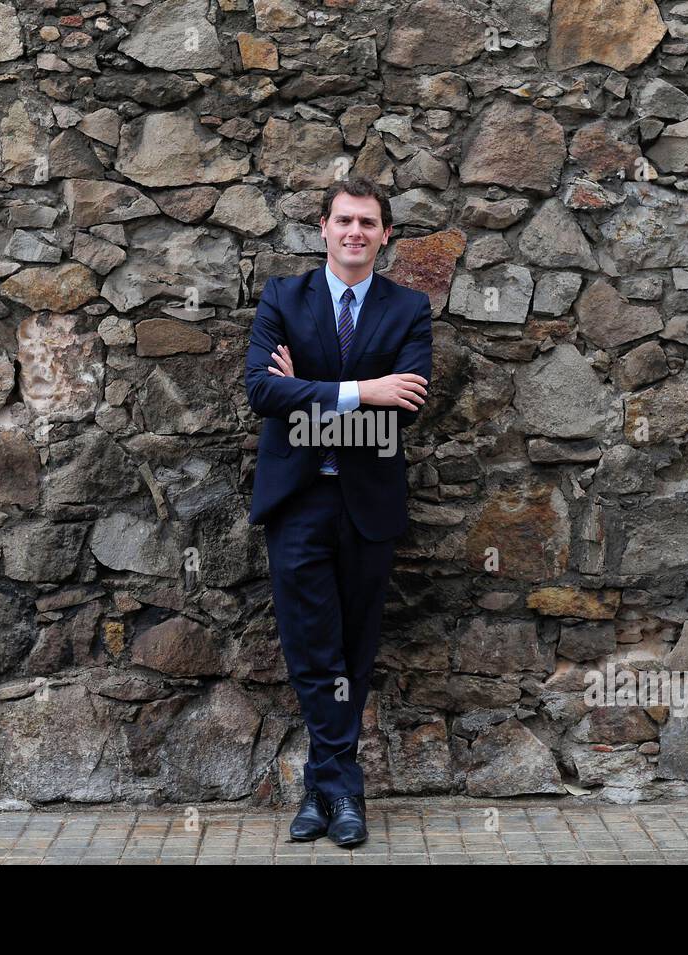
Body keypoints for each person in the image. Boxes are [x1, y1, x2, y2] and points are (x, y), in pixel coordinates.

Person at [244, 176, 433, 847]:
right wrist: (364, 391)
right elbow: (262, 393)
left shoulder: (408, 308)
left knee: (354, 646)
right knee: (310, 646)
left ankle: (323, 790)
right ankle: (341, 790)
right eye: (344, 220)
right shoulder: (283, 298)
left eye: (368, 223)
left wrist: (310, 396)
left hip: (367, 506)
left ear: (385, 235)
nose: (355, 232)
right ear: (323, 228)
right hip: (298, 503)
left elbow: (405, 409)